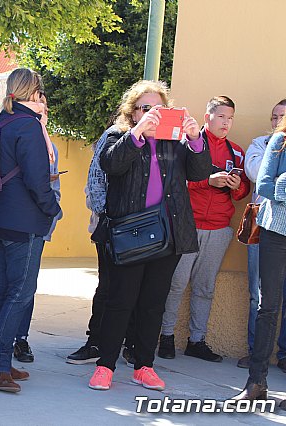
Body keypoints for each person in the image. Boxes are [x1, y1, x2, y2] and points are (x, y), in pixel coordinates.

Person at [89, 80, 211, 391]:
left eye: (159, 108)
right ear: (132, 113)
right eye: (146, 109)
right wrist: (138, 134)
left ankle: (144, 366)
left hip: (168, 235)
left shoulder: (177, 141)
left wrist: (196, 138)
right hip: (131, 234)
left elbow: (199, 173)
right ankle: (105, 366)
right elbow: (110, 164)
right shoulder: (120, 137)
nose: (153, 114)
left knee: (153, 303)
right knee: (120, 301)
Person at [0, 68, 61, 393]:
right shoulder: (27, 126)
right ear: (35, 92)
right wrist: (52, 209)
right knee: (19, 292)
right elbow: (37, 180)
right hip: (23, 223)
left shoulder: (0, 121)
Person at [158, 96, 250, 362]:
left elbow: (244, 190)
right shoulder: (190, 143)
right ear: (207, 116)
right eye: (221, 116)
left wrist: (236, 187)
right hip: (188, 224)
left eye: (230, 118)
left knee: (205, 287)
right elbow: (174, 183)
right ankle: (165, 336)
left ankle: (196, 341)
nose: (226, 123)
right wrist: (208, 180)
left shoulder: (237, 151)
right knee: (176, 283)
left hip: (220, 227)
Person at [67, 128, 137, 367]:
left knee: (137, 289)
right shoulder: (114, 136)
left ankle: (131, 344)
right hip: (112, 226)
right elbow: (95, 181)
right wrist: (107, 217)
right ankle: (96, 343)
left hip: (145, 230)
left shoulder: (162, 141)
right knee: (107, 287)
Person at [233, 117, 286, 405]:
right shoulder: (279, 141)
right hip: (276, 231)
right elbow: (264, 186)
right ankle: (256, 383)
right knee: (268, 306)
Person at [13, 93, 63, 364]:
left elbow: (53, 186)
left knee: (27, 286)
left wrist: (52, 215)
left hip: (38, 225)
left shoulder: (49, 145)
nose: (41, 108)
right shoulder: (13, 131)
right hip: (14, 222)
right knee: (8, 285)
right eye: (35, 102)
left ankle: (20, 338)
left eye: (44, 104)